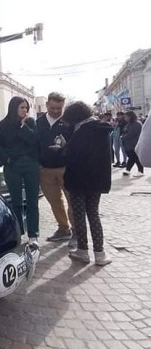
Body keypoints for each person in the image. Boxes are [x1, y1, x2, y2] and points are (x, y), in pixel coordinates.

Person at [58, 101, 112, 265]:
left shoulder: (81, 131)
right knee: (93, 214)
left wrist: (61, 147)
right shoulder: (101, 130)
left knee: (79, 215)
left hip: (79, 180)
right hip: (96, 180)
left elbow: (70, 156)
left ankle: (82, 251)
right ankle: (100, 254)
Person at [0, 97, 40, 243]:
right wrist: (7, 159)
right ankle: (18, 232)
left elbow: (35, 141)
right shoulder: (3, 124)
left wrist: (23, 127)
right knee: (16, 202)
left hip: (30, 165)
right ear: (14, 108)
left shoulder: (30, 122)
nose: (25, 110)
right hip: (12, 166)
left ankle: (33, 234)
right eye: (22, 107)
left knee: (32, 201)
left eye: (26, 108)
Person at [37, 92, 75, 246]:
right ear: (46, 105)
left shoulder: (69, 123)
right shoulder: (37, 123)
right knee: (54, 202)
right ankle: (63, 228)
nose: (55, 111)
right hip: (45, 170)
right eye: (52, 108)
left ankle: (77, 232)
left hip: (66, 169)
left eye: (59, 108)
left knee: (72, 201)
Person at [121, 111, 144, 177]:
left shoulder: (137, 124)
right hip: (128, 144)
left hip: (134, 144)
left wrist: (123, 137)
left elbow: (130, 134)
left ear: (130, 116)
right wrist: (122, 136)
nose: (125, 118)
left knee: (135, 157)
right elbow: (124, 131)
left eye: (126, 117)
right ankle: (128, 170)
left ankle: (140, 171)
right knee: (132, 157)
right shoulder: (128, 124)